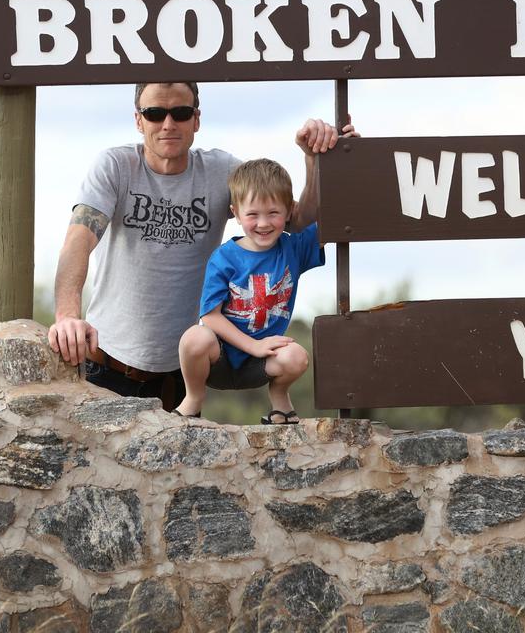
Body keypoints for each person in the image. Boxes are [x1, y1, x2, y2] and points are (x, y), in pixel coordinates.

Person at [46, 81, 352, 411]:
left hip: (177, 375)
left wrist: (313, 159)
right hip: (106, 364)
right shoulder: (115, 167)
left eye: (180, 113)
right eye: (154, 113)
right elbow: (77, 242)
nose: (167, 124)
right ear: (138, 120)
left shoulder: (221, 172)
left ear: (196, 119)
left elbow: (294, 220)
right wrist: (66, 317)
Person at [175, 159, 322, 423]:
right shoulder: (224, 257)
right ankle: (193, 399)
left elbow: (332, 211)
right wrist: (253, 345)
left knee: (297, 357)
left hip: (263, 363)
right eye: (253, 214)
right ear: (236, 212)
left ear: (289, 211)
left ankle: (279, 398)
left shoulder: (293, 249)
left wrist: (338, 157)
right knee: (194, 338)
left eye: (273, 213)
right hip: (219, 358)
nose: (263, 223)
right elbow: (210, 316)